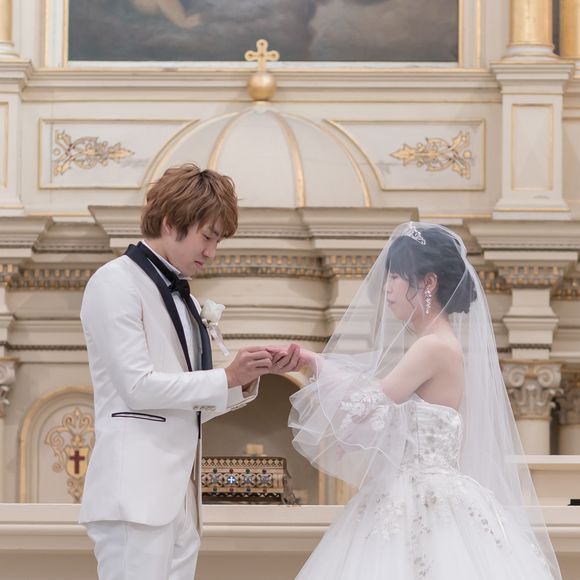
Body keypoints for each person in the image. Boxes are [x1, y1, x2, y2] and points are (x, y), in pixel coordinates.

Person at [273, 222, 561, 579]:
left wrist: (314, 362)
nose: (387, 287)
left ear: (428, 282)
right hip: (420, 493)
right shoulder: (440, 343)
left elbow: (368, 403)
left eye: (396, 276)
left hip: (418, 496)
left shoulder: (433, 347)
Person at [79, 163, 301, 580]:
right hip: (135, 496)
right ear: (171, 222)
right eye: (208, 236)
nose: (212, 252)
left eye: (218, 241)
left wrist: (245, 379)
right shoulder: (115, 283)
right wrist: (226, 377)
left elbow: (186, 403)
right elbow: (137, 387)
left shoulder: (187, 300)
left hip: (182, 497)